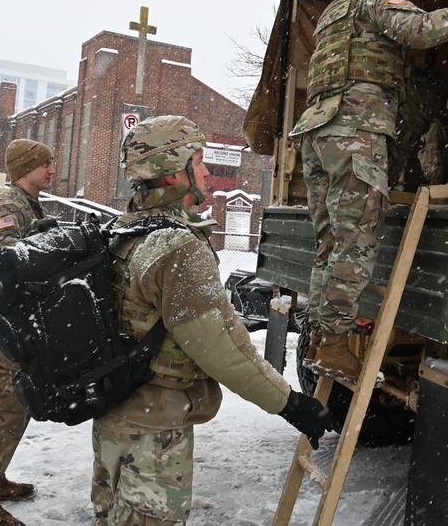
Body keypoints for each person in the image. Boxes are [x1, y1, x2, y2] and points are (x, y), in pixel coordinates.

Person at [91, 115, 333, 526]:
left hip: (117, 416)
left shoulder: (126, 229)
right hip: (153, 431)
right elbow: (217, 348)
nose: (206, 172)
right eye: (198, 162)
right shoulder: (176, 247)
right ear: (172, 175)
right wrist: (289, 404)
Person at [289, 0, 448, 381]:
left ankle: (324, 339)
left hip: (316, 133)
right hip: (354, 133)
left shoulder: (330, 15)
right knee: (356, 244)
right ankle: (337, 343)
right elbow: (425, 31)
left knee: (330, 246)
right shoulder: (376, 3)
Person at [0, 139, 56, 526]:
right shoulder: (7, 207)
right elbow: (2, 272)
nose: (52, 170)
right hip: (8, 327)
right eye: (46, 165)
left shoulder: (28, 206)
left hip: (22, 326)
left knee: (15, 408)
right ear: (25, 168)